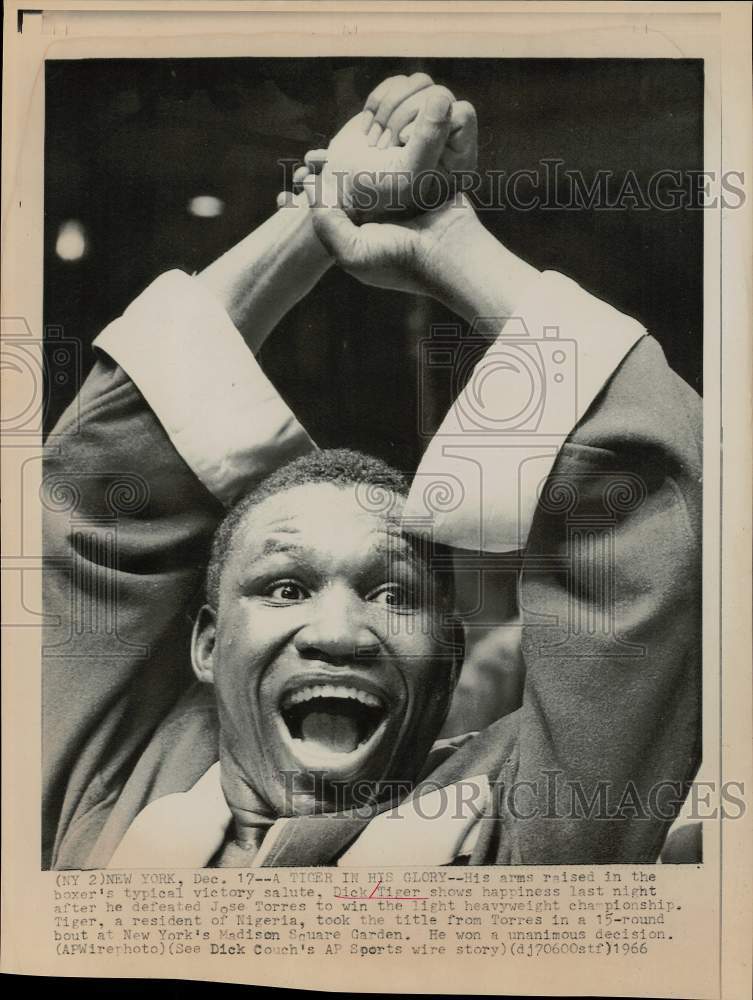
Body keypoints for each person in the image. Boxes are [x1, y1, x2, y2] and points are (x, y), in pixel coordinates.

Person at [42, 75, 701, 870]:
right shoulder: (101, 800)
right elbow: (97, 495)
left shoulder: (528, 829)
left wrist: (447, 239)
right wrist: (323, 210)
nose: (339, 636)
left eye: (393, 593)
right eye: (284, 586)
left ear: (451, 661)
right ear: (209, 643)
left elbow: (652, 524)